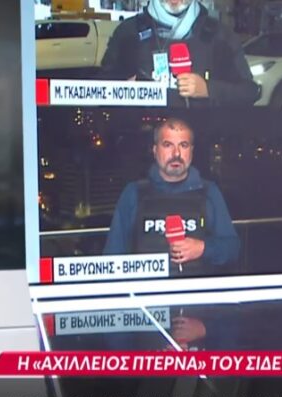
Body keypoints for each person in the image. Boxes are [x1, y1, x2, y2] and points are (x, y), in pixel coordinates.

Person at [104, 118, 240, 349]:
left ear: (192, 151)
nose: (176, 154)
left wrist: (204, 248)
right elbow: (112, 261)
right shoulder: (134, 194)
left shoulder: (209, 193)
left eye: (183, 145)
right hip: (145, 319)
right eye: (168, 145)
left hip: (199, 314)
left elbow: (233, 249)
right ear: (155, 150)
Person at [99, 0, 260, 107]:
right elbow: (99, 90)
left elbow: (249, 92)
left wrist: (208, 90)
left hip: (201, 139)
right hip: (143, 139)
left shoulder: (220, 36)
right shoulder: (128, 32)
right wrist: (124, 89)